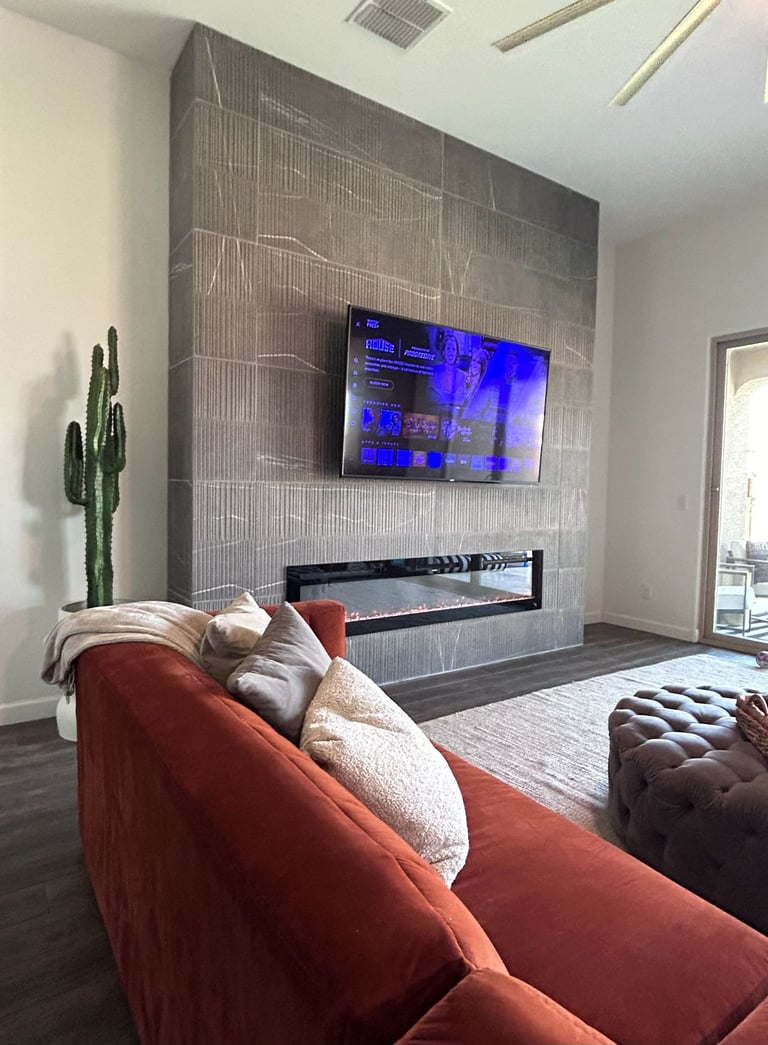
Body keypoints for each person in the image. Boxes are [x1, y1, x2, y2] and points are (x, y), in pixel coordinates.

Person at [427, 332, 465, 407]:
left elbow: (461, 400)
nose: (451, 352)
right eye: (448, 349)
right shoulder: (434, 370)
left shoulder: (462, 375)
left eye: (454, 349)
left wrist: (442, 395)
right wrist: (453, 397)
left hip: (453, 414)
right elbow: (430, 396)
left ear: (457, 353)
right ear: (444, 352)